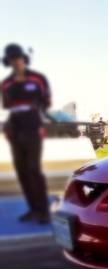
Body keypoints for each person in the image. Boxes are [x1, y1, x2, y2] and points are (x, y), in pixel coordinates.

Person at [1, 43, 51, 224]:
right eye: (12, 59)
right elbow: (8, 106)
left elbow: (45, 101)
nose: (16, 62)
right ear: (9, 62)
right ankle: (33, 209)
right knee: (22, 171)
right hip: (15, 129)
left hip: (32, 128)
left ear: (23, 59)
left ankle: (44, 210)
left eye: (19, 58)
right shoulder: (6, 84)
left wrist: (36, 120)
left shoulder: (37, 79)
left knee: (33, 170)